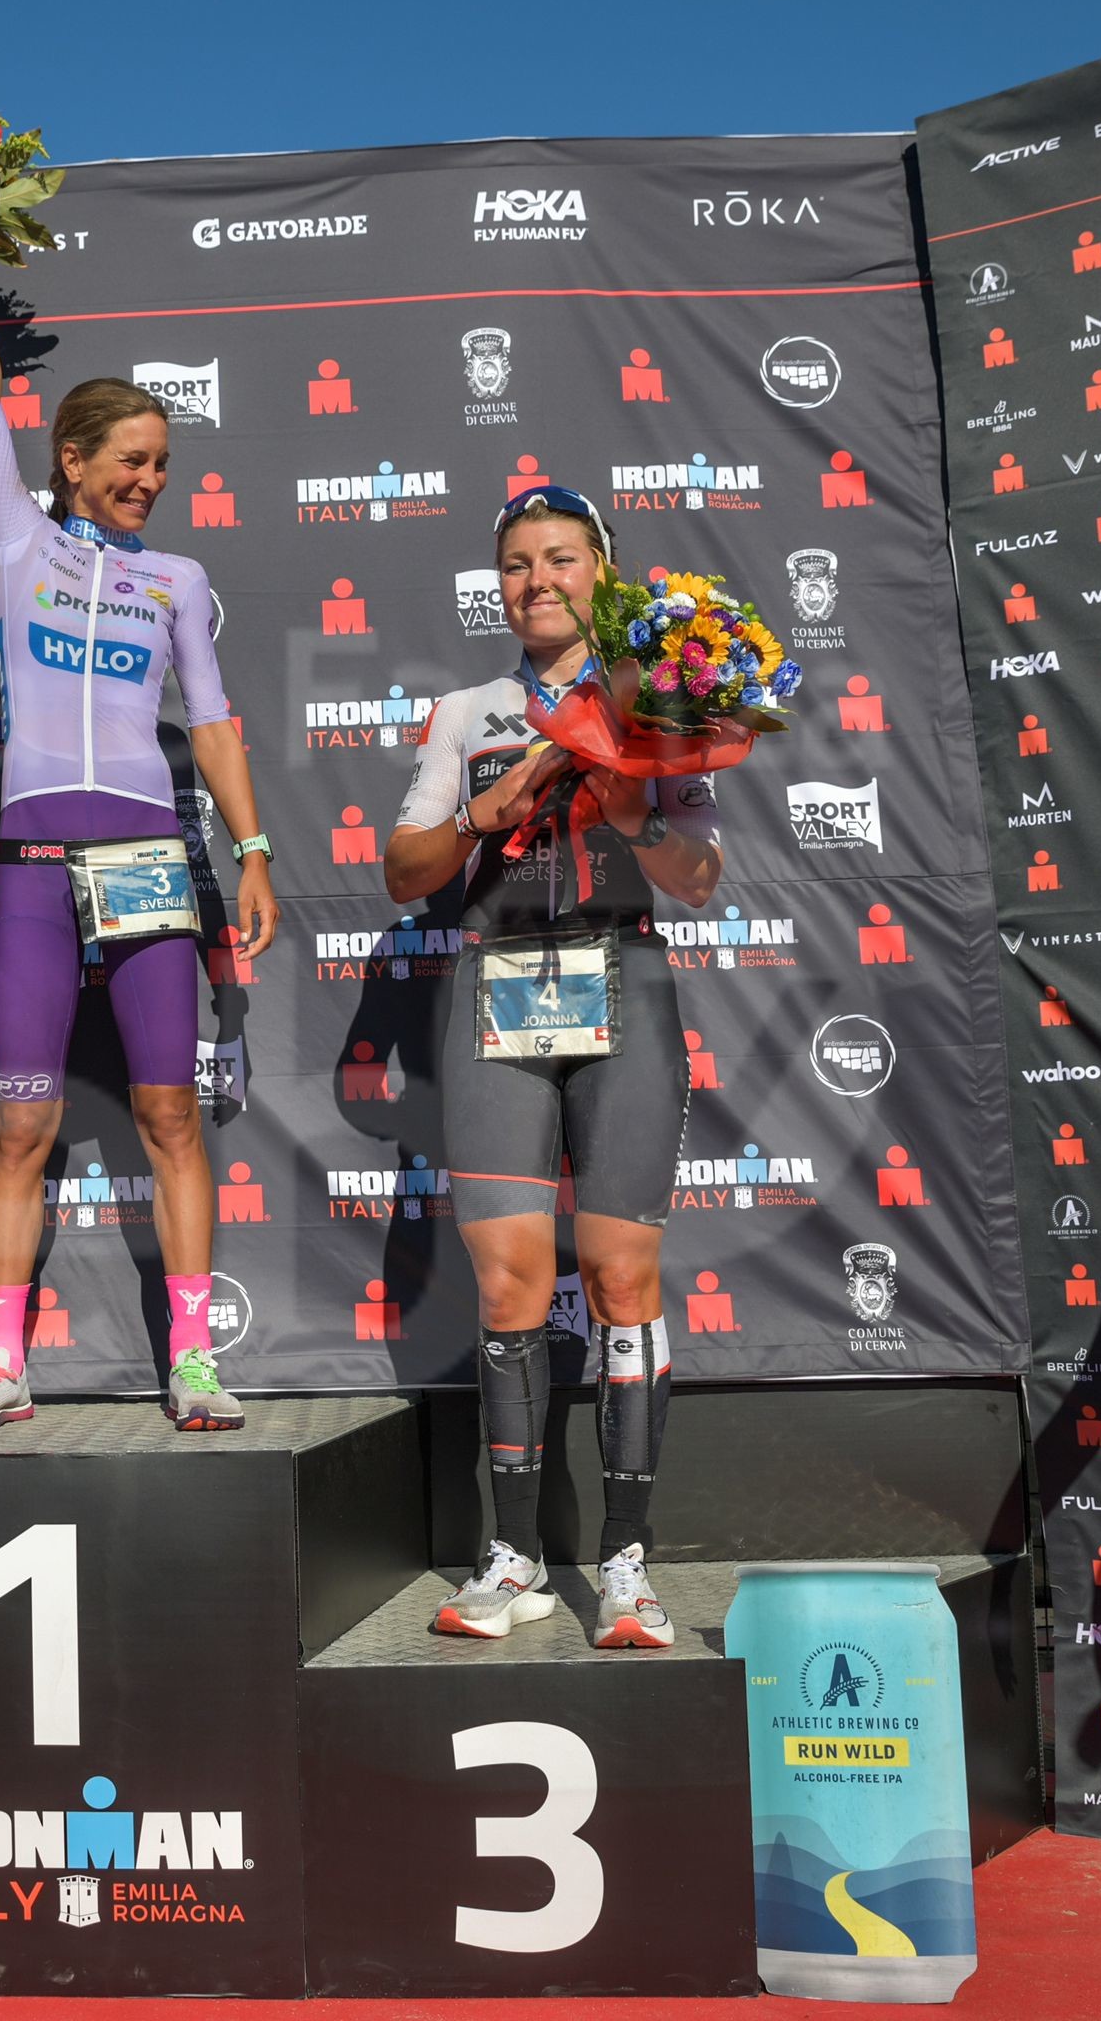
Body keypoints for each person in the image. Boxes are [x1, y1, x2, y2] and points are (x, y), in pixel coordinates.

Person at [0, 215, 279, 1432]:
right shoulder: (16, 540)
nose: (148, 481)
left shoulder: (176, 579)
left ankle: (193, 1359)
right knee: (22, 1123)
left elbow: (214, 722)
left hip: (143, 858)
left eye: (162, 465)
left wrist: (252, 849)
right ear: (70, 460)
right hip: (32, 864)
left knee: (170, 1114)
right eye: (130, 460)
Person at [384, 485, 722, 1649]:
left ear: (601, 572)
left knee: (623, 1279)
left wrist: (631, 812)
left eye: (560, 558)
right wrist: (484, 811)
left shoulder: (659, 699)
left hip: (626, 982)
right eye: (518, 562)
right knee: (509, 1287)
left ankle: (625, 1565)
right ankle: (514, 1555)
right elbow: (402, 869)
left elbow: (700, 878)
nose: (537, 579)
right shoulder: (465, 710)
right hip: (497, 985)